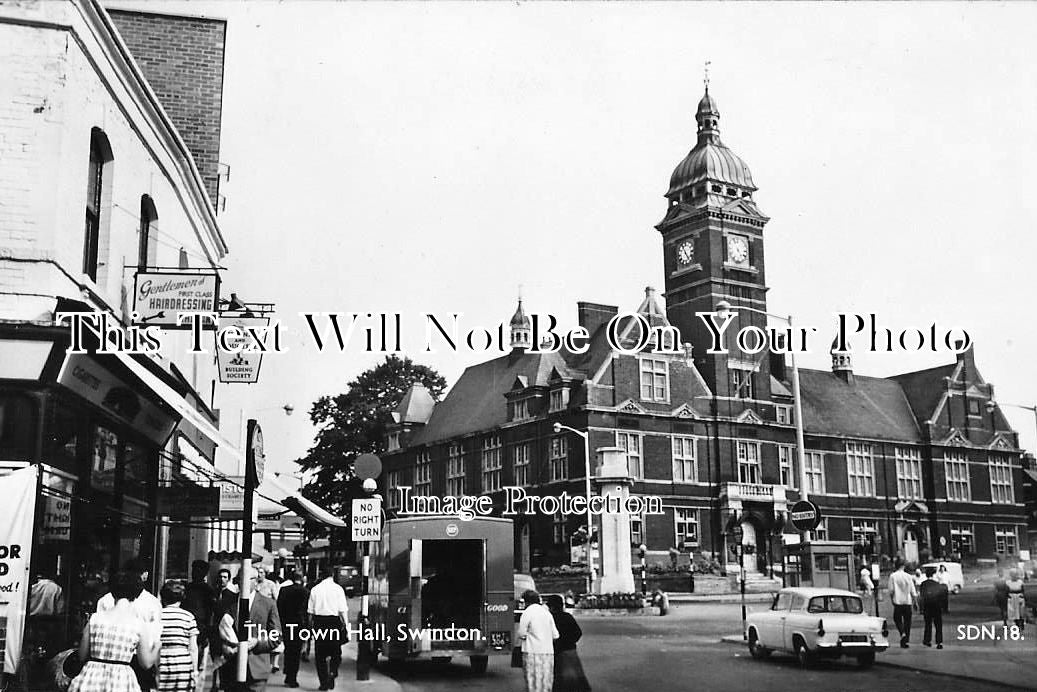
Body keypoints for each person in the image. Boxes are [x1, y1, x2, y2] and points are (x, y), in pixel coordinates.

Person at [69, 570, 160, 692]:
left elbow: (82, 655)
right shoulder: (138, 625)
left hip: (91, 678)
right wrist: (157, 646)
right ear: (136, 594)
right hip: (121, 680)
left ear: (112, 591)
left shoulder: (95, 619)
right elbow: (146, 663)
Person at [217, 565, 281, 692]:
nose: (241, 582)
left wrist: (257, 642)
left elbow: (276, 636)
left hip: (256, 670)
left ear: (255, 581)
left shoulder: (268, 604)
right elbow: (217, 631)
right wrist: (223, 647)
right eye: (239, 579)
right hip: (230, 670)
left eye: (246, 578)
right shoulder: (227, 603)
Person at [307, 565, 350, 691]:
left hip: (319, 622)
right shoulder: (338, 589)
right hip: (334, 622)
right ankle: (333, 671)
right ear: (332, 575)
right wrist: (346, 625)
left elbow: (310, 612)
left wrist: (310, 627)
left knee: (320, 655)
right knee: (336, 652)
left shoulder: (315, 589)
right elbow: (343, 610)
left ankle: (323, 682)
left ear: (321, 575)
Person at [158, 581, 199, 692]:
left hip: (161, 660)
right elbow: (193, 648)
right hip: (183, 662)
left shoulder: (158, 615)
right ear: (182, 598)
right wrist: (195, 671)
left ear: (163, 597)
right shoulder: (188, 617)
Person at [545, 595, 590, 692]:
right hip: (570, 650)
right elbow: (578, 633)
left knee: (558, 678)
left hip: (556, 651)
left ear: (551, 606)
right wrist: (571, 642)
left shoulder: (549, 618)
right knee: (576, 677)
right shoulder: (568, 617)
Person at [518, 590, 559, 692]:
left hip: (531, 651)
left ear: (527, 601)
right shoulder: (547, 613)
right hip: (547, 652)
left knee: (532, 680)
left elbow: (521, 633)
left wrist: (528, 636)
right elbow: (556, 635)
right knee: (546, 680)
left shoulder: (527, 613)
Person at [182, 561, 218, 673]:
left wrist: (207, 631)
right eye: (194, 570)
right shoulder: (187, 588)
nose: (195, 573)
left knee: (196, 656)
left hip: (200, 628)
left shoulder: (208, 591)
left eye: (198, 570)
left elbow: (211, 612)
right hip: (185, 625)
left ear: (204, 573)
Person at [276, 571, 309, 689]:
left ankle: (287, 672)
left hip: (286, 624)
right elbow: (307, 611)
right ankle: (292, 677)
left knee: (288, 649)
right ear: (302, 579)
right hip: (300, 625)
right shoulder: (305, 592)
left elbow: (279, 607)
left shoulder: (284, 590)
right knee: (296, 651)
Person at [918, 566, 949, 649]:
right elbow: (941, 596)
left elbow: (921, 597)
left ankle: (927, 640)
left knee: (928, 624)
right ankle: (939, 641)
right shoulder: (937, 584)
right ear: (933, 574)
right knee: (938, 624)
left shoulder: (923, 584)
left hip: (927, 606)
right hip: (936, 606)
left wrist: (921, 608)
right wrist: (943, 607)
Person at [889, 561, 917, 648]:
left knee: (897, 619)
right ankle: (906, 640)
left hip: (898, 601)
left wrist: (892, 599)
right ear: (903, 566)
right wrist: (915, 602)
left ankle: (902, 632)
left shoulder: (893, 576)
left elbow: (891, 590)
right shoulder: (908, 576)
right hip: (907, 601)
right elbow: (913, 590)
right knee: (907, 621)